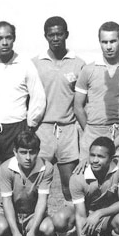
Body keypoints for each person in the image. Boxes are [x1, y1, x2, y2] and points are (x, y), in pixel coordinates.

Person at [0, 21, 46, 209]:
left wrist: (30, 124)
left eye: (8, 38)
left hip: (16, 129)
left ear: (14, 39)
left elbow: (38, 96)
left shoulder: (25, 65)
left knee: (14, 182)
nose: (4, 42)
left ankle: (14, 228)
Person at [32, 16, 86, 202]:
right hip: (42, 129)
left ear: (66, 35)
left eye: (59, 34)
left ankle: (72, 228)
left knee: (69, 185)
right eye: (51, 35)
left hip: (68, 130)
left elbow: (83, 102)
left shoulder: (79, 64)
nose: (56, 38)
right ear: (45, 36)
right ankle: (38, 227)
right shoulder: (34, 64)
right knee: (37, 183)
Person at [74, 21, 119, 161]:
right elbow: (78, 106)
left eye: (113, 41)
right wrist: (89, 129)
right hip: (95, 132)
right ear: (99, 42)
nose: (109, 47)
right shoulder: (88, 70)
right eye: (104, 42)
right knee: (90, 178)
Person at [0, 131, 56, 236]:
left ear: (38, 152)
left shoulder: (46, 168)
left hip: (32, 214)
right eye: (23, 152)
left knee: (48, 228)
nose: (28, 157)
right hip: (9, 212)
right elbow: (6, 202)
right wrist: (14, 231)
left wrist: (32, 230)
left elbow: (42, 201)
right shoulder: (5, 168)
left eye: (32, 152)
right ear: (15, 152)